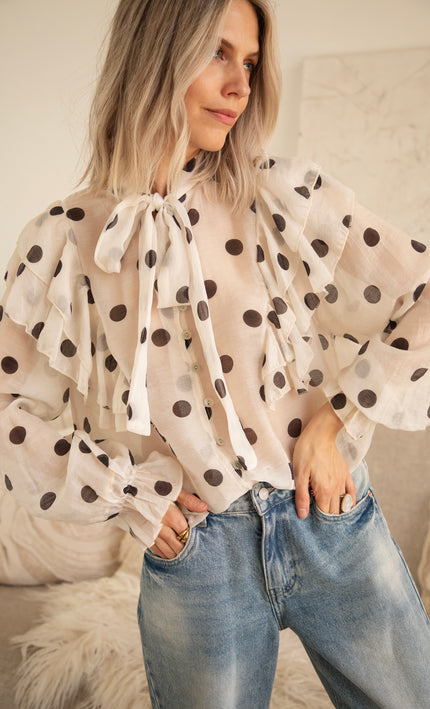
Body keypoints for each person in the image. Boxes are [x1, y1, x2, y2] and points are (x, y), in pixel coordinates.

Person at [1, 0, 429, 706]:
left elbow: (421, 291)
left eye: (251, 63)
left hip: (329, 517)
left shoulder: (280, 194)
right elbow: (9, 410)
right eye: (218, 53)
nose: (241, 87)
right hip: (198, 551)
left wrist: (332, 422)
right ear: (156, 53)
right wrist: (125, 494)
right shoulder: (65, 240)